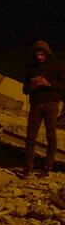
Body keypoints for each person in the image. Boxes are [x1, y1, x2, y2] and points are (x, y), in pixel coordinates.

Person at [23, 40, 65, 176]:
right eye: (37, 55)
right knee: (30, 137)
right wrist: (32, 86)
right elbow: (25, 89)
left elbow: (63, 85)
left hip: (51, 104)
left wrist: (49, 83)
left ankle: (47, 168)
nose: (39, 57)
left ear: (47, 53)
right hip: (35, 104)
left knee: (51, 136)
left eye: (42, 54)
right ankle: (27, 168)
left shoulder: (57, 65)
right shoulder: (31, 68)